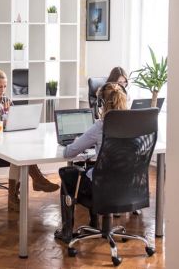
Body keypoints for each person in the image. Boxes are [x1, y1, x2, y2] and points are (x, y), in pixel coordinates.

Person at [0, 65, 59, 212]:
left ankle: (14, 197)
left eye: (5, 86)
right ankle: (37, 180)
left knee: (20, 151)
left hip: (7, 143)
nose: (3, 90)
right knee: (19, 151)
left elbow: (16, 118)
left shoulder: (7, 100)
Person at [54, 82, 128, 243]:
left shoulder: (101, 126)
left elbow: (69, 153)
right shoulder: (135, 124)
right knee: (94, 168)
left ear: (101, 104)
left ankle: (67, 232)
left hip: (102, 189)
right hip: (128, 188)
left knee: (68, 174)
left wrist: (78, 141)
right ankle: (94, 223)